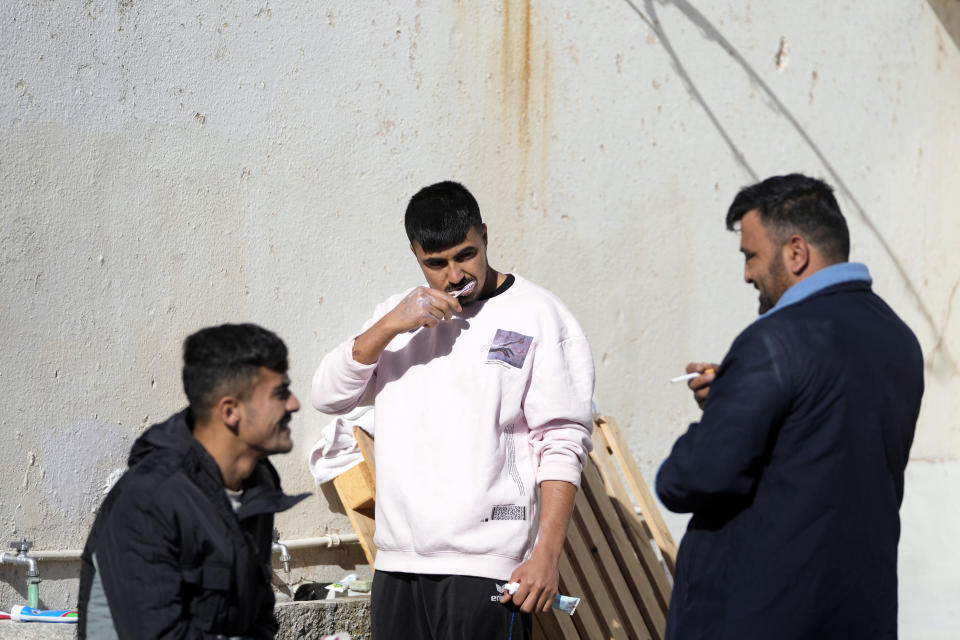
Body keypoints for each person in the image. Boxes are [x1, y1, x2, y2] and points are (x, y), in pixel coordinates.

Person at [312, 181, 595, 639]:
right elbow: (328, 396)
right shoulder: (400, 317)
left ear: (484, 235)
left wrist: (545, 555)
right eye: (435, 264)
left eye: (466, 254)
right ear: (415, 254)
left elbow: (562, 441)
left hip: (487, 567)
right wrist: (391, 325)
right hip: (398, 564)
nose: (454, 275)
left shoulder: (539, 315)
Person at [656, 174, 924, 639]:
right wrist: (734, 394)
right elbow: (817, 441)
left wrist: (722, 408)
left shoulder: (774, 341)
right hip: (860, 615)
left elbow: (687, 479)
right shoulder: (898, 338)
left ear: (796, 252)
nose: (746, 274)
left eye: (751, 255)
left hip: (760, 614)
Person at [77, 323, 308, 639]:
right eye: (280, 393)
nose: (294, 404)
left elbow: (258, 617)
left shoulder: (256, 483)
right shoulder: (150, 497)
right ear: (230, 411)